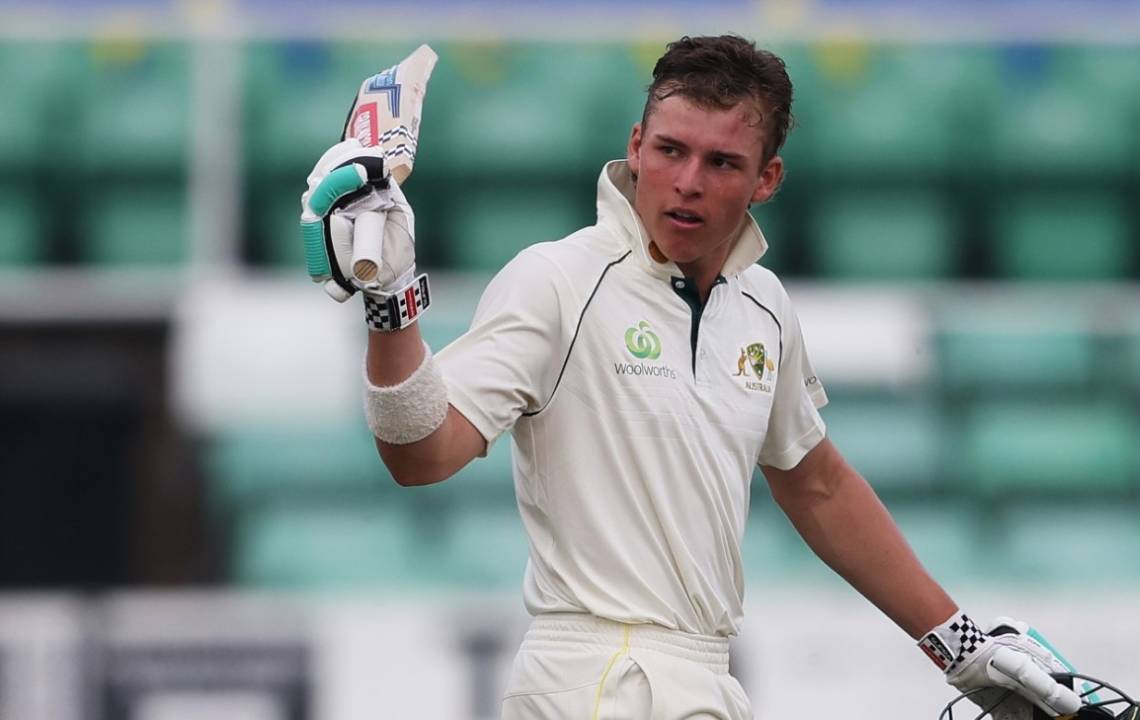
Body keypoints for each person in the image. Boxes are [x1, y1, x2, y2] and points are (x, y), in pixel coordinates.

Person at [300, 34, 1084, 719]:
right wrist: (391, 301)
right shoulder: (560, 280)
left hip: (703, 673)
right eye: (670, 151)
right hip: (597, 676)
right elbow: (422, 454)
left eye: (721, 163)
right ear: (636, 145)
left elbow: (816, 484)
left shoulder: (764, 306)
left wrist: (959, 645)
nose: (687, 182)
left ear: (767, 179)